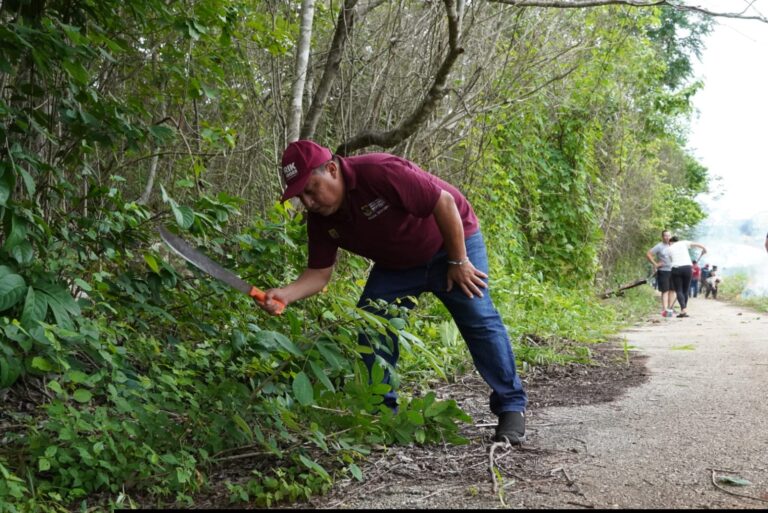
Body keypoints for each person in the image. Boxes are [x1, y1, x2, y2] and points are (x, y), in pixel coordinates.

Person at [259, 140, 528, 444]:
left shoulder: (379, 172)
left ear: (332, 169)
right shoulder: (322, 220)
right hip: (397, 266)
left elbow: (444, 203)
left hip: (450, 243)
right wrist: (285, 294)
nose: (307, 202)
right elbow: (319, 274)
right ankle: (383, 416)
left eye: (311, 189)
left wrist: (459, 261)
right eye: (300, 196)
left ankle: (511, 408)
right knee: (370, 326)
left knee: (478, 317)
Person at [667, 236, 706, 318]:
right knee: (685, 290)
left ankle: (683, 309)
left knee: (679, 290)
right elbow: (697, 244)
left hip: (676, 268)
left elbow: (672, 261)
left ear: (670, 242)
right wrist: (704, 249)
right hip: (687, 268)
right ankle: (683, 310)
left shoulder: (669, 249)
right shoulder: (683, 243)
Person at [646, 230, 675, 318]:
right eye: (665, 236)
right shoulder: (659, 246)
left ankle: (670, 309)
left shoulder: (674, 245)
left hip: (674, 270)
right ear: (662, 237)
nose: (667, 237)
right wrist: (655, 264)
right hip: (663, 270)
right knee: (665, 290)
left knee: (672, 290)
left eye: (669, 235)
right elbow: (648, 254)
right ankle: (664, 309)